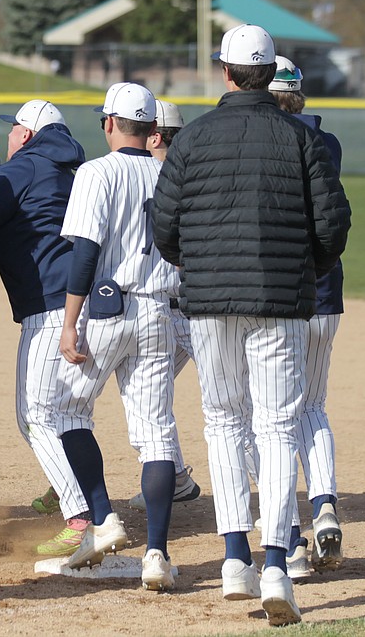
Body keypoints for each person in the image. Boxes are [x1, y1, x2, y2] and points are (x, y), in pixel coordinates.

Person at [152, 25, 351, 626]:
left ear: (226, 72)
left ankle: (233, 555)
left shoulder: (192, 139)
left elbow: (164, 228)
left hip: (209, 301)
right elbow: (333, 228)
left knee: (222, 420)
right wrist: (302, 269)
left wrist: (203, 265)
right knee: (277, 422)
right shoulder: (302, 138)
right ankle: (274, 564)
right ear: (270, 74)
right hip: (282, 300)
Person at [48, 83, 182, 591]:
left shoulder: (96, 171)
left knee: (67, 410)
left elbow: (85, 252)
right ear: (152, 129)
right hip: (158, 312)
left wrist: (68, 321)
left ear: (109, 124)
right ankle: (156, 554)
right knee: (157, 434)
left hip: (107, 309)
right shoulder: (170, 172)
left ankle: (103, 520)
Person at [0, 99, 94, 557]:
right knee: (68, 413)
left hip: (48, 306)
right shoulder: (71, 168)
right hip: (85, 299)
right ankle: (72, 491)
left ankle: (80, 517)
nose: (9, 135)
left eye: (14, 128)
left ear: (26, 134)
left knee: (35, 416)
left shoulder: (24, 168)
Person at [267, 56, 347, 581]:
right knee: (312, 406)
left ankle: (289, 542)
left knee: (266, 417)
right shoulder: (328, 143)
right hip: (324, 292)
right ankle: (324, 506)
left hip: (277, 295)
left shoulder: (263, 140)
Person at [126, 98, 201, 511]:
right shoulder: (189, 173)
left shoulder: (159, 176)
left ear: (155, 135)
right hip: (176, 307)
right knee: (149, 400)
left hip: (180, 307)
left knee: (227, 405)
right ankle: (174, 478)